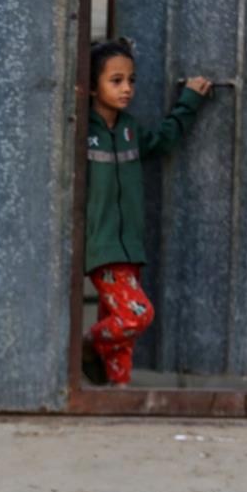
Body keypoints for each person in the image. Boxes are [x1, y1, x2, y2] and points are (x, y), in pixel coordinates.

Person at [81, 39, 211, 387]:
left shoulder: (130, 129)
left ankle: (118, 390)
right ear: (93, 87)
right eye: (116, 80)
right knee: (136, 315)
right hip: (101, 247)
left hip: (131, 247)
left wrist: (190, 101)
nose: (127, 89)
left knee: (123, 332)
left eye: (131, 80)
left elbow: (164, 141)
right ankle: (87, 344)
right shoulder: (80, 131)